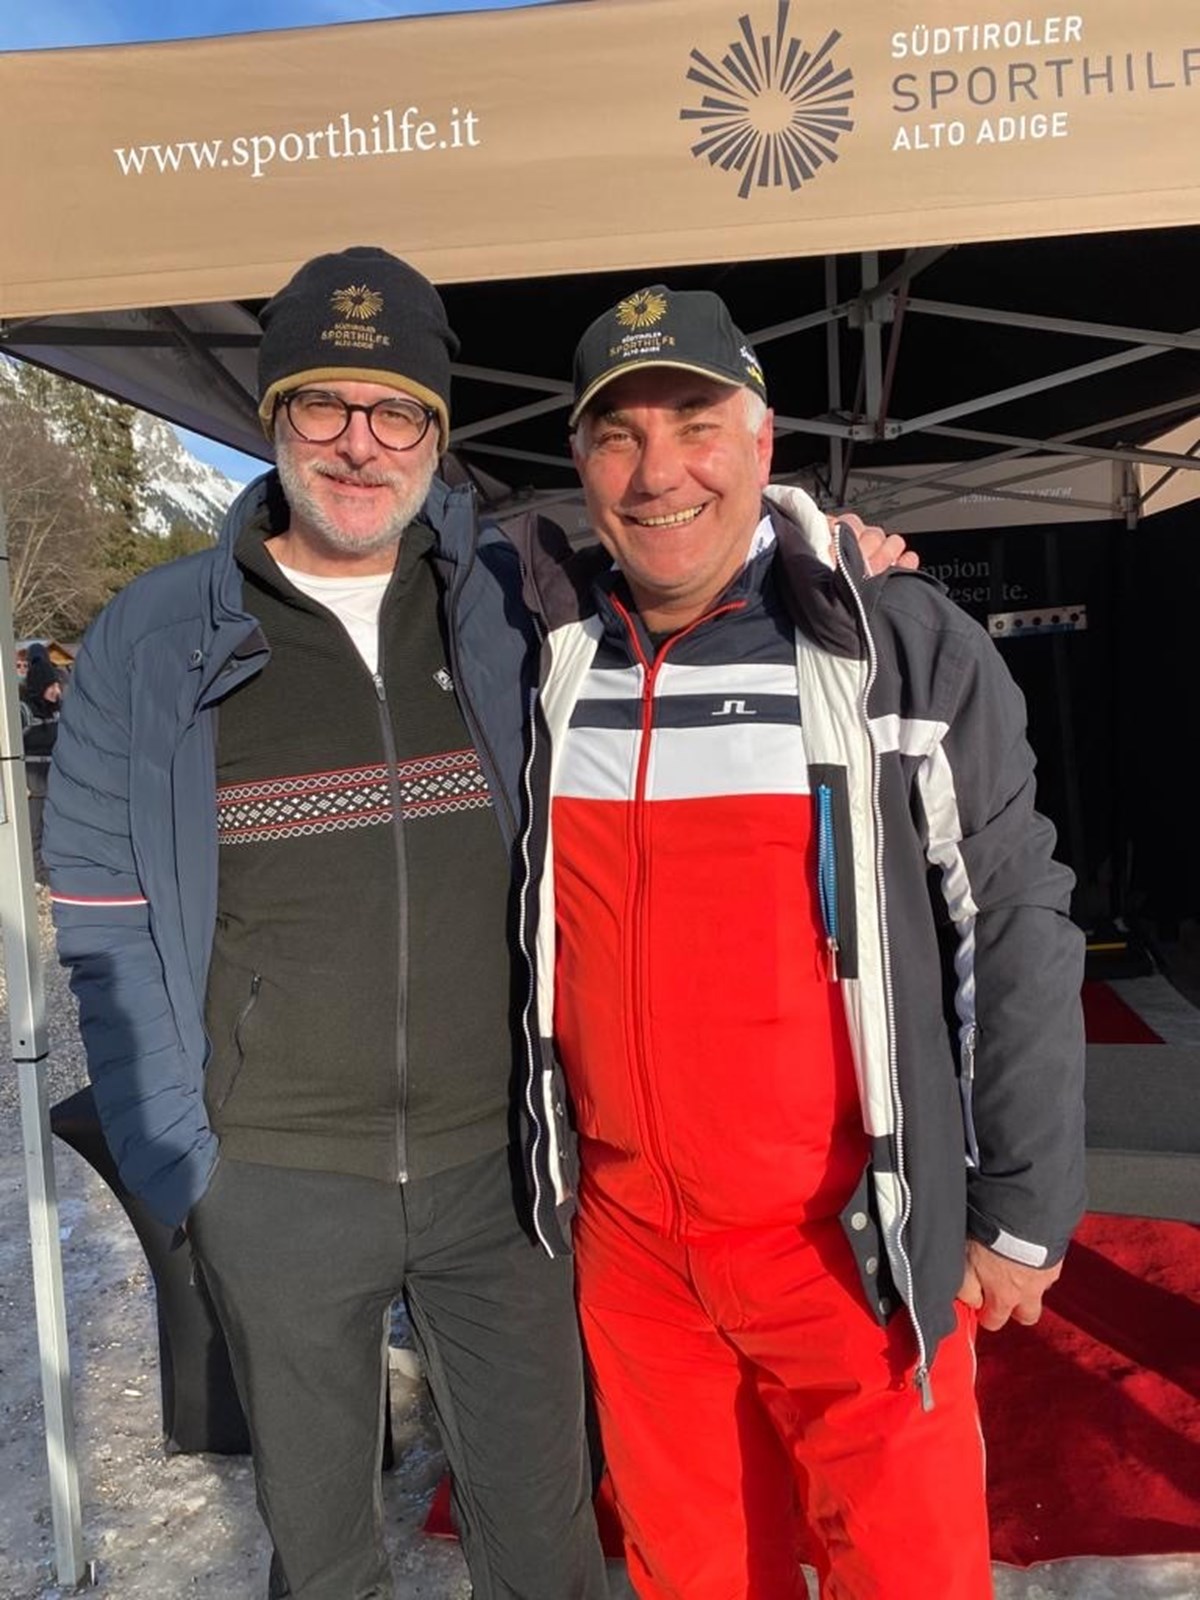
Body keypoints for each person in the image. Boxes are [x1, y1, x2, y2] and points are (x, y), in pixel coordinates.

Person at [43, 246, 610, 1600]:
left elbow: (692, 600)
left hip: (499, 1176)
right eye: (324, 403)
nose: (361, 443)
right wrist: (185, 1171)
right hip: (277, 1177)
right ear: (272, 415)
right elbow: (104, 918)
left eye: (397, 409)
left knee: (548, 1544)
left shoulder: (511, 606)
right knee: (327, 1556)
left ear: (438, 431)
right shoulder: (157, 636)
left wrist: (840, 570)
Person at [514, 286, 1087, 1599]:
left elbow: (1010, 916)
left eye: (695, 423)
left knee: (909, 1574)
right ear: (580, 462)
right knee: (694, 1577)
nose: (659, 471)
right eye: (618, 435)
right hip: (635, 1253)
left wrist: (1021, 1204)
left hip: (849, 1243)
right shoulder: (544, 656)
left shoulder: (895, 644)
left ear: (762, 441)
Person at [20, 640, 64, 882]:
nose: (57, 692)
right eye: (51, 686)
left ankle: (52, 872)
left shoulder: (58, 709)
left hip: (54, 781)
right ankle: (38, 877)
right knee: (34, 832)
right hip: (32, 785)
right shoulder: (23, 711)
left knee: (54, 830)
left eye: (57, 685)